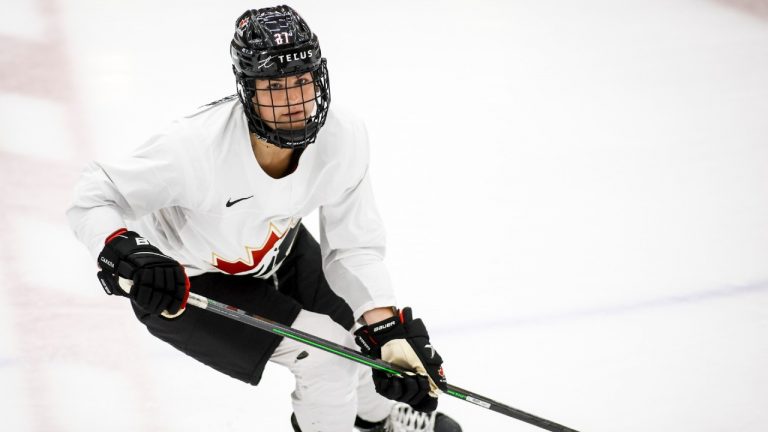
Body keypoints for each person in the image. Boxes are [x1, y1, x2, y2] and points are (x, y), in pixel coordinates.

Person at [66, 5, 462, 432]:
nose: (294, 101)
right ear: (247, 90)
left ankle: (379, 419)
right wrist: (131, 254)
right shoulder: (194, 148)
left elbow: (354, 248)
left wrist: (385, 327)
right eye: (274, 85)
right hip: (183, 279)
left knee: (357, 330)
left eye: (302, 80)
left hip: (275, 249)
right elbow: (92, 196)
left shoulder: (342, 136)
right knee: (326, 357)